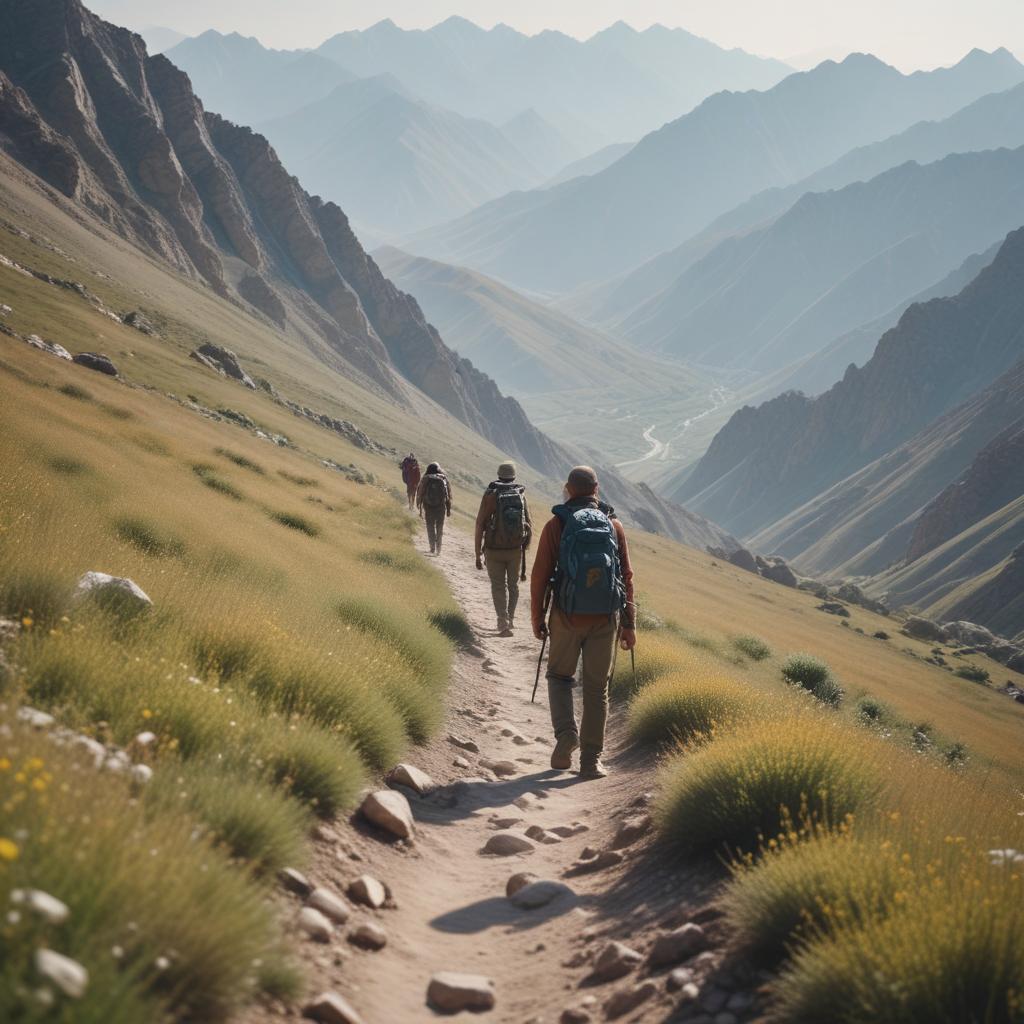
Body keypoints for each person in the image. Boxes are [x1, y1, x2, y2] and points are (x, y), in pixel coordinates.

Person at [531, 466, 636, 779]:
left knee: (559, 677)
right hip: (605, 618)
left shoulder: (557, 524)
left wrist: (537, 616)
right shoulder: (613, 525)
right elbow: (626, 577)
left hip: (566, 615)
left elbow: (539, 575)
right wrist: (629, 624)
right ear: (596, 489)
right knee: (597, 689)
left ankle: (566, 736)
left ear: (568, 489)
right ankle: (591, 761)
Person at [474, 461, 532, 637]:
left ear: (498, 474)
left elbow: (480, 523)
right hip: (515, 549)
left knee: (498, 586)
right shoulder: (520, 494)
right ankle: (511, 619)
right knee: (513, 585)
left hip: (493, 549)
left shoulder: (491, 494)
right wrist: (523, 546)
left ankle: (502, 622)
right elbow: (528, 523)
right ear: (514, 476)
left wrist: (477, 553)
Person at [416, 461, 451, 554]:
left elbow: (420, 492)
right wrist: (448, 509)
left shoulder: (426, 478)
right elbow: (448, 495)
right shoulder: (443, 478)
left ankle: (432, 548)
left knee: (430, 526)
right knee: (440, 527)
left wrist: (418, 504)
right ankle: (439, 549)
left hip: (428, 506)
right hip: (441, 506)